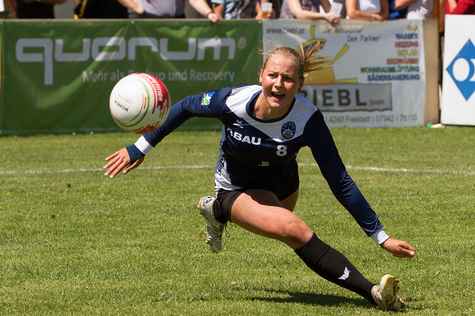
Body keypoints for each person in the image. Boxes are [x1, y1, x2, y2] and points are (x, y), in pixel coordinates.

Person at [103, 43, 416, 311]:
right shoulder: (233, 101)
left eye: (288, 79)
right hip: (236, 186)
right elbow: (185, 106)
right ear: (261, 77)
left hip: (282, 185)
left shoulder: (308, 120)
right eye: (273, 76)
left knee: (286, 221)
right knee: (294, 229)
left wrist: (380, 236)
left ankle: (216, 213)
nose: (279, 85)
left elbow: (340, 180)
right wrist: (140, 146)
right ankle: (375, 294)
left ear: (300, 83)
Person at [133, 0, 220, 23]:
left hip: (177, 23)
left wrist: (209, 13)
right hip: (150, 22)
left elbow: (195, 0)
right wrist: (136, 7)